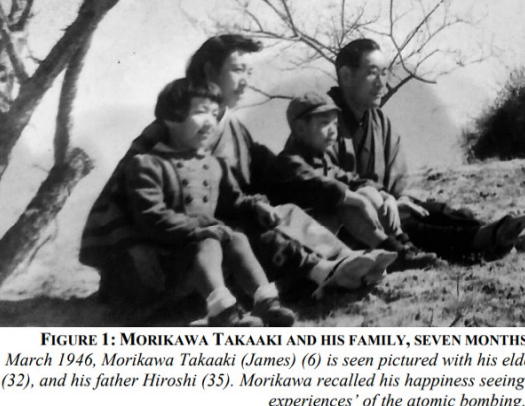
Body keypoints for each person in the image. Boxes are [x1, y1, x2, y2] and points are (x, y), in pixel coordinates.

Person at [80, 35, 387, 307]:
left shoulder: (234, 129)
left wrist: (347, 192)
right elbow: (119, 197)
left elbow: (281, 171)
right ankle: (330, 272)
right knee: (252, 231)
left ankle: (346, 263)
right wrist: (131, 243)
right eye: (237, 70)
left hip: (215, 238)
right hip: (165, 253)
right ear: (210, 72)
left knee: (282, 212)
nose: (245, 81)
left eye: (249, 72)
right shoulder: (167, 132)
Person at [327, 38, 525, 262]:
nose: (381, 83)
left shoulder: (378, 121)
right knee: (415, 228)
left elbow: (395, 180)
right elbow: (322, 184)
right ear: (346, 76)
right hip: (350, 223)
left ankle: (504, 233)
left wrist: (397, 199)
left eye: (384, 72)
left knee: (435, 212)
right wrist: (383, 201)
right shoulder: (321, 122)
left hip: (386, 207)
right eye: (371, 73)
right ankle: (495, 238)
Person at [124, 78, 295, 327]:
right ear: (171, 117)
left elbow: (235, 199)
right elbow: (152, 215)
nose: (210, 122)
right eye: (201, 112)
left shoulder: (213, 163)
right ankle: (222, 311)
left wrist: (256, 204)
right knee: (210, 240)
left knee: (237, 238)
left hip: (206, 257)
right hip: (167, 258)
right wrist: (199, 229)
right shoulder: (147, 164)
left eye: (215, 114)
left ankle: (266, 302)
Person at [268, 91, 437, 271]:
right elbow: (321, 185)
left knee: (366, 191)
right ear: (300, 128)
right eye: (324, 123)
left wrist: (385, 196)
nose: (333, 130)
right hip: (294, 246)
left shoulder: (321, 160)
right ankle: (394, 253)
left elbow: (352, 179)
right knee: (346, 203)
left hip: (321, 238)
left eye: (335, 123)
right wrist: (359, 200)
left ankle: (404, 247)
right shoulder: (289, 161)